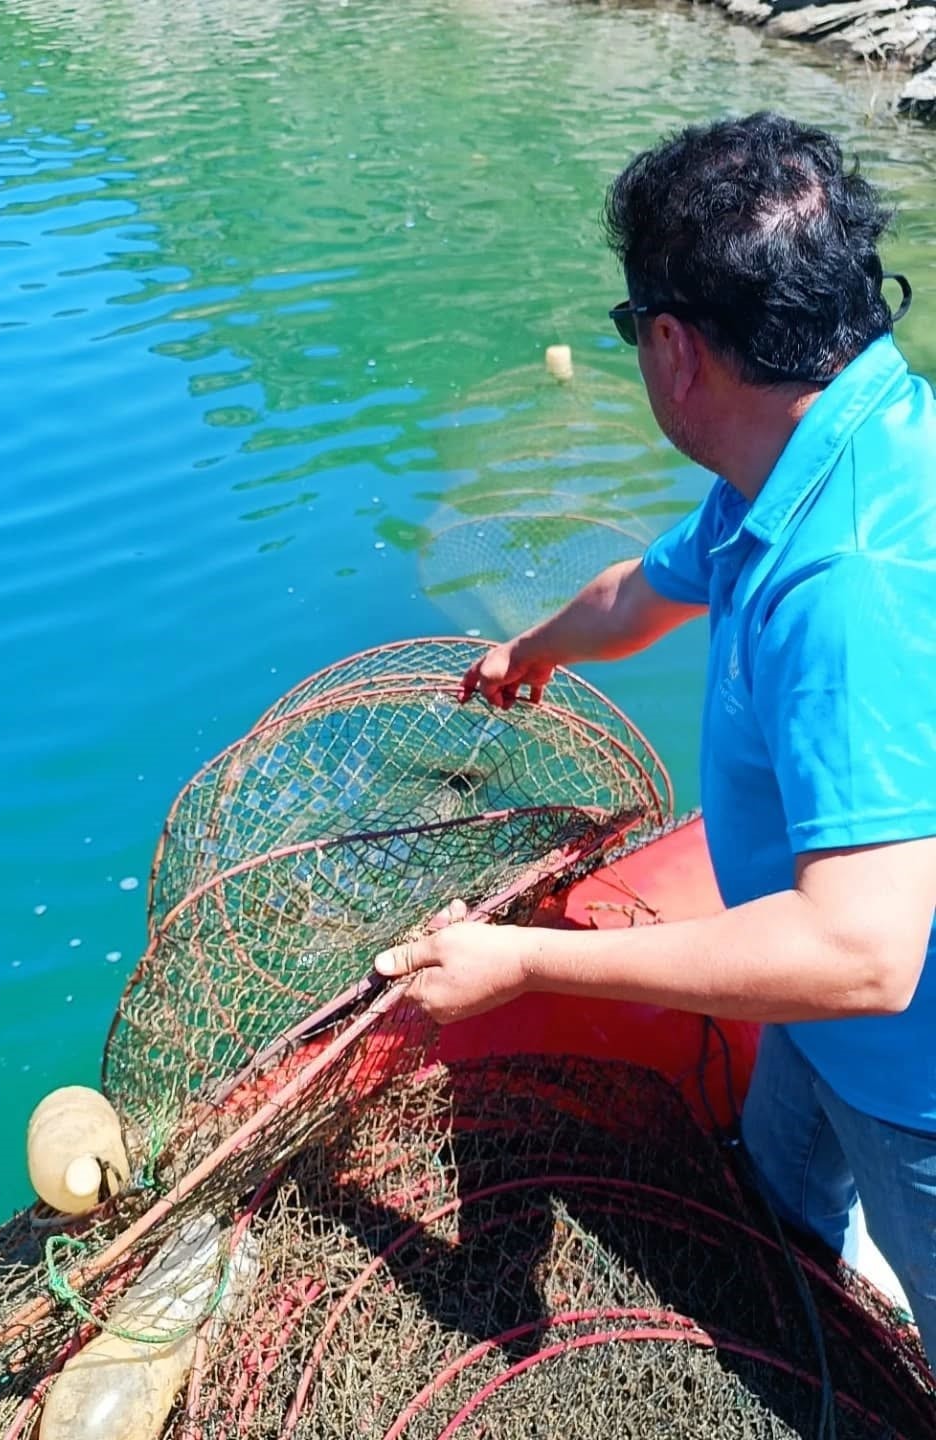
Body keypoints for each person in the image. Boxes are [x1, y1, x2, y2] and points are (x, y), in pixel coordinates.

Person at [374, 113, 936, 1360]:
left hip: (917, 1084)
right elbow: (644, 592)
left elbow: (863, 955)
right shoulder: (814, 446)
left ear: (676, 348)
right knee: (785, 1210)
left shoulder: (851, 579)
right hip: (822, 1041)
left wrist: (526, 966)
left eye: (636, 329)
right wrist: (535, 653)